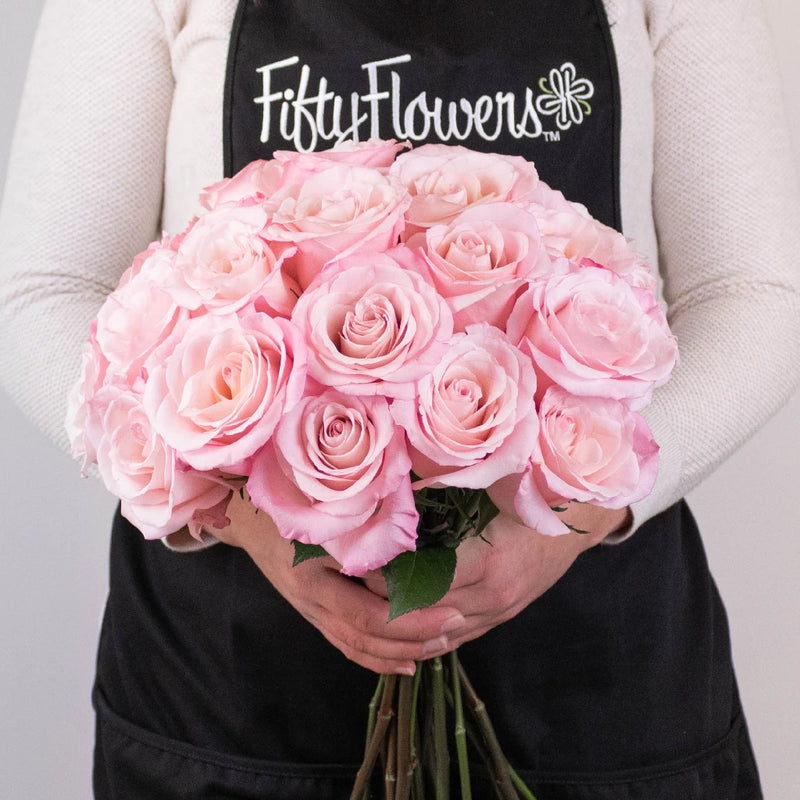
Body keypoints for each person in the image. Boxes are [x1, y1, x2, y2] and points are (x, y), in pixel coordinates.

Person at [1, 0, 798, 798]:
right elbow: (43, 291)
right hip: (227, 688)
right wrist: (246, 515)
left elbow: (756, 293)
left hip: (594, 685)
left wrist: (578, 516)